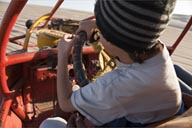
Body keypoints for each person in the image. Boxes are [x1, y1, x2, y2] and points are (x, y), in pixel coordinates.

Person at [40, 0, 184, 127]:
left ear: (112, 42)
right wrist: (102, 24)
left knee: (50, 124)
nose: (97, 31)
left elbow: (65, 103)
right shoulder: (155, 48)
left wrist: (63, 54)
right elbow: (132, 26)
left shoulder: (115, 86)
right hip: (154, 113)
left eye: (100, 31)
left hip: (137, 121)